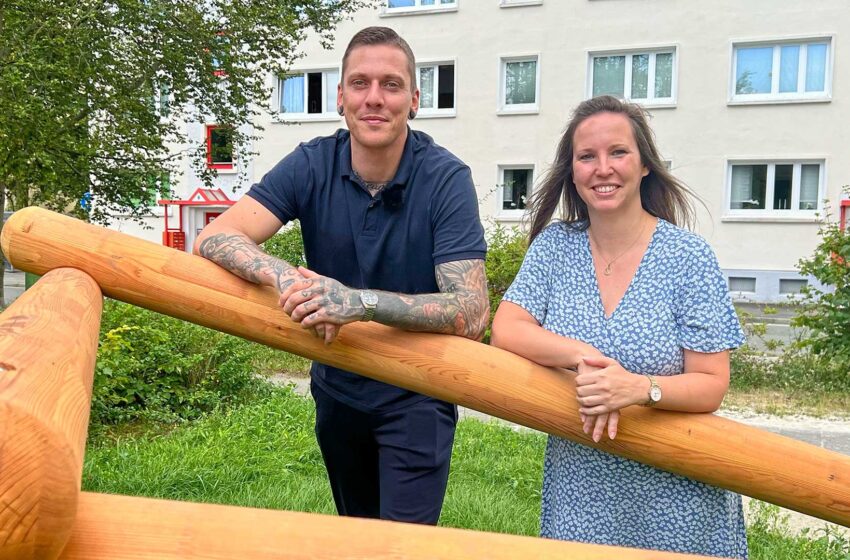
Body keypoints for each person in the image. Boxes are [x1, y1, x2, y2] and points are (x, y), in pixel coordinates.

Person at [193, 26, 489, 525]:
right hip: (337, 386)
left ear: (414, 99)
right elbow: (215, 236)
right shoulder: (312, 163)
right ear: (341, 96)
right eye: (360, 83)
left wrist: (360, 302)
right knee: (354, 539)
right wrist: (282, 276)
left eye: (391, 85)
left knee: (402, 550)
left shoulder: (445, 178)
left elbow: (472, 311)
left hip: (417, 393)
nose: (374, 98)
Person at [490, 95, 747, 558]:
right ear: (572, 171)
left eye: (618, 152)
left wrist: (636, 388)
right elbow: (506, 328)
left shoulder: (687, 257)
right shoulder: (555, 247)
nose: (602, 168)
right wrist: (583, 357)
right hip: (582, 488)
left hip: (677, 496)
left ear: (645, 164)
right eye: (586, 156)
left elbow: (712, 384)